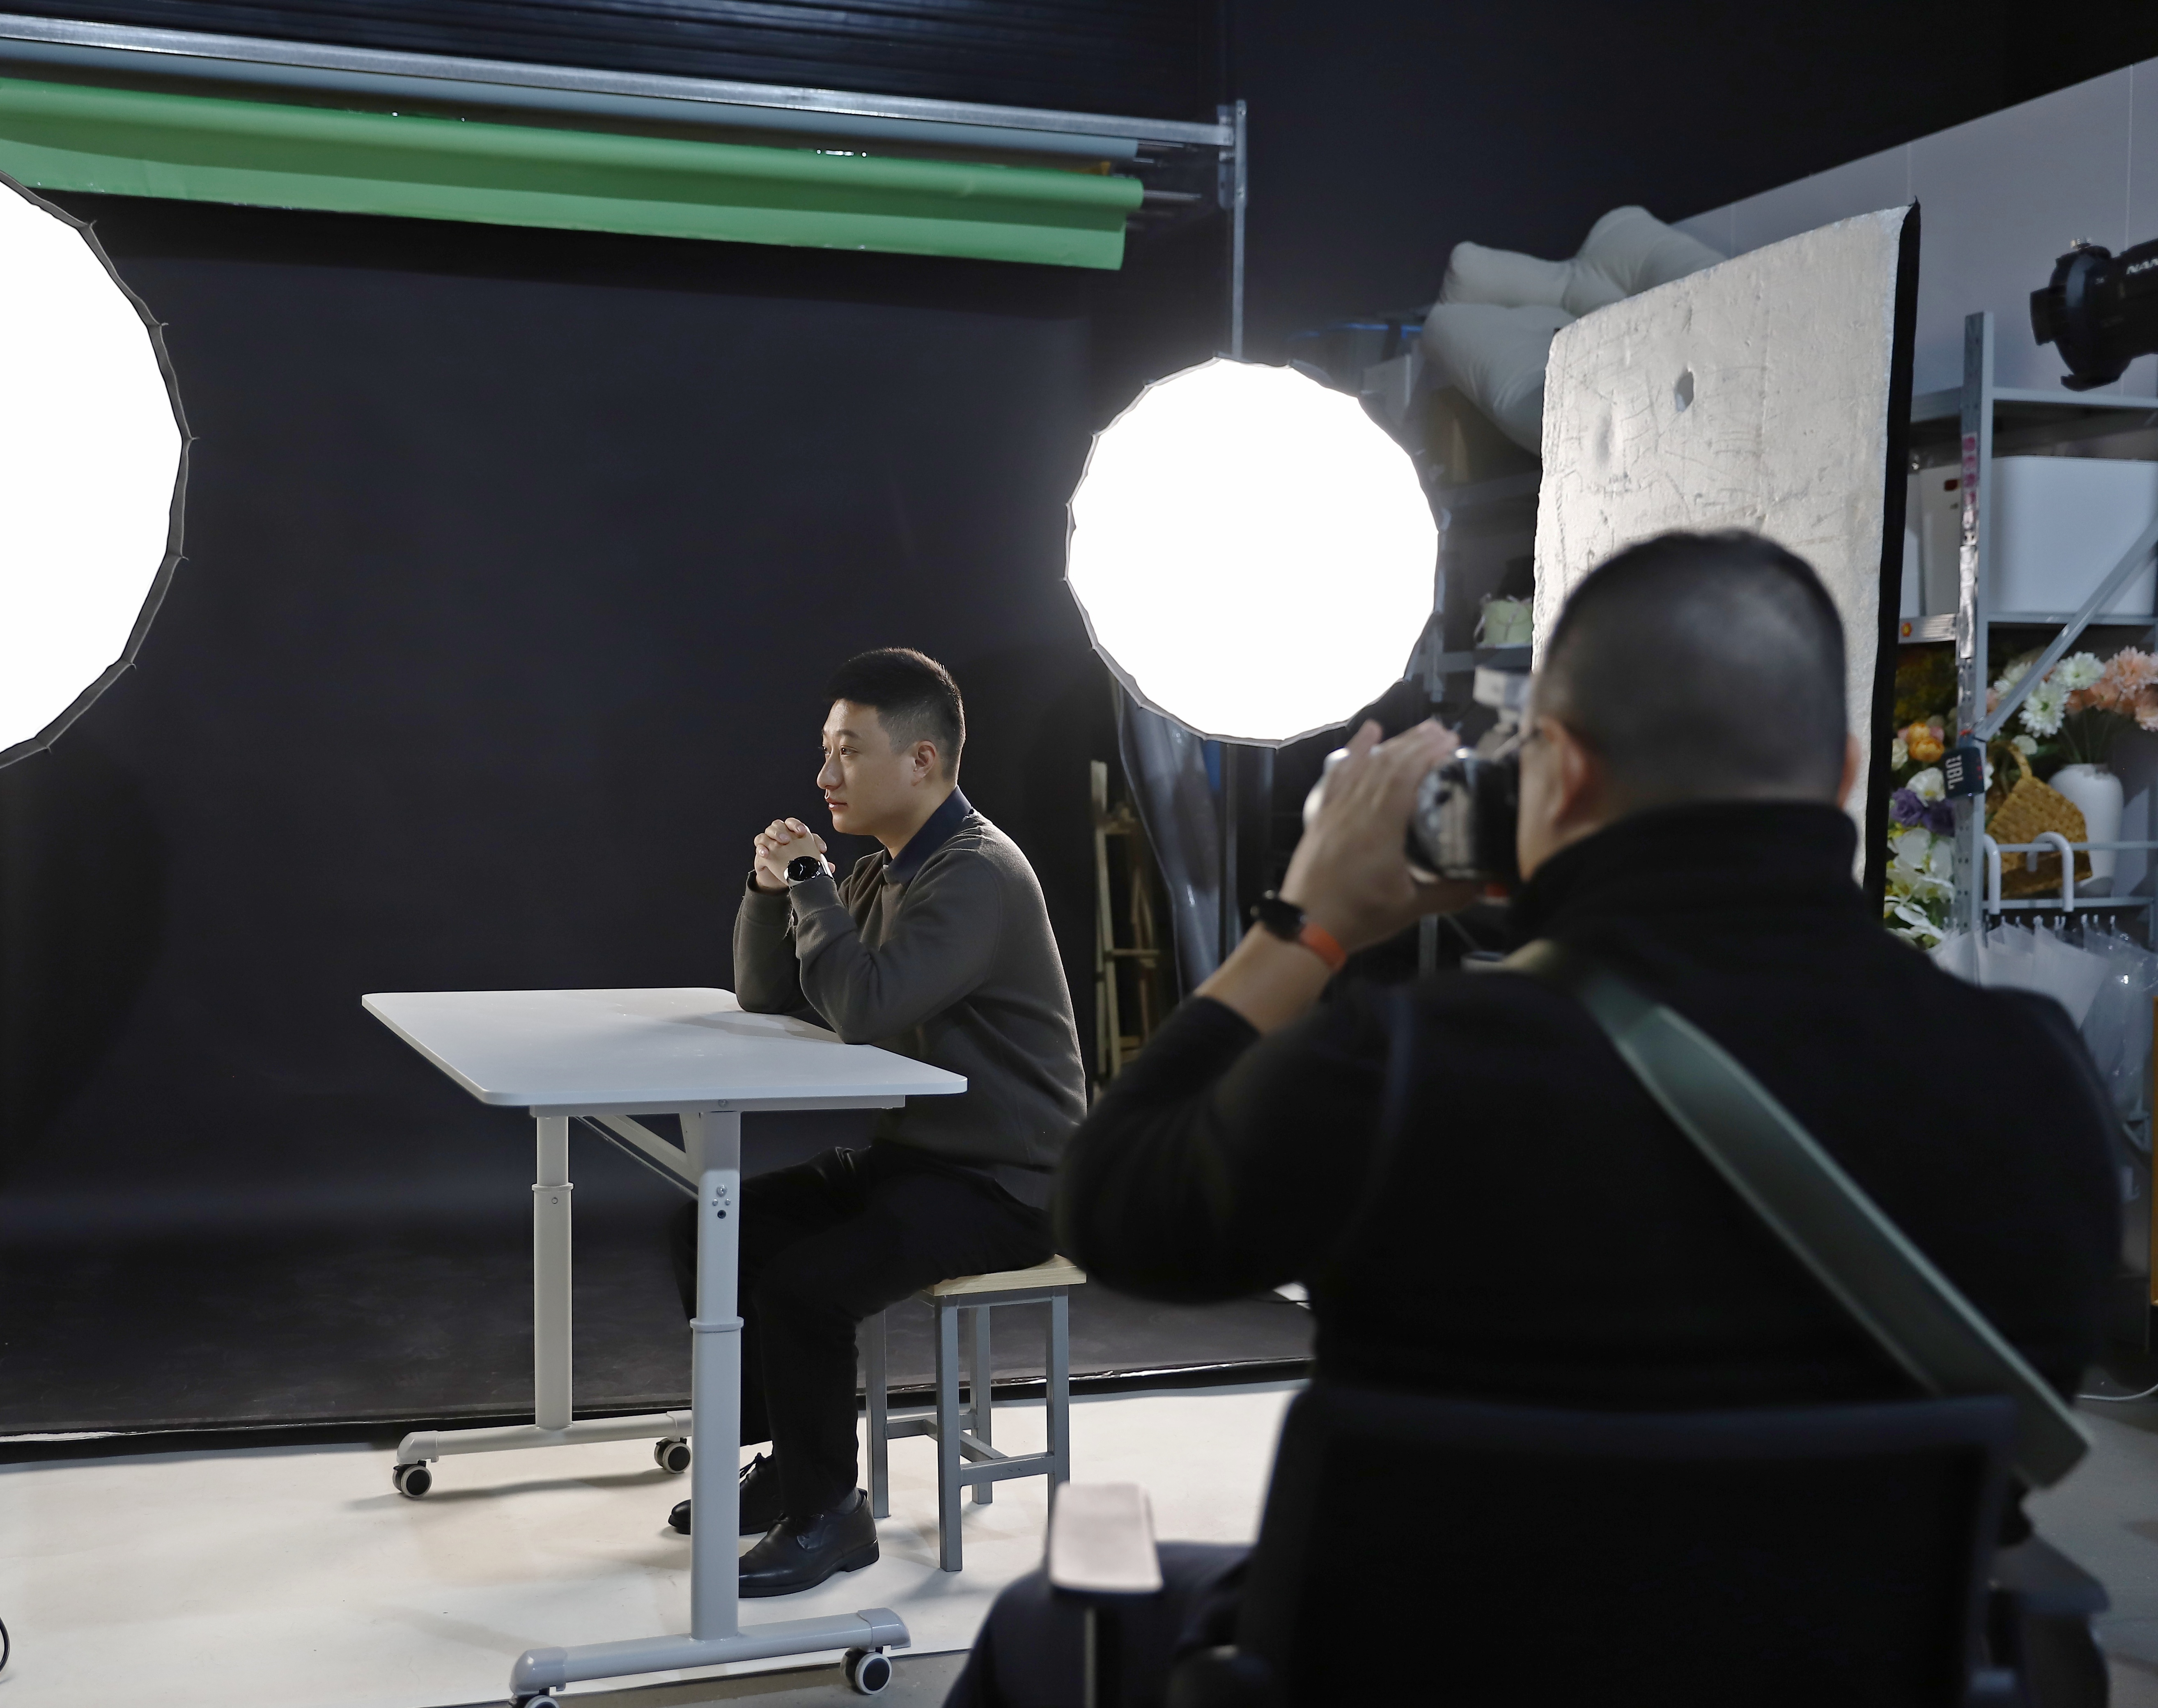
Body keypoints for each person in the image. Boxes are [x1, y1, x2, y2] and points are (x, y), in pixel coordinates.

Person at [949, 530, 2121, 1706]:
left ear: (1558, 770)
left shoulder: (1402, 1071)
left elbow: (1110, 1204)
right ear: (1848, 772)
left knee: (1045, 1618)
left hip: (1414, 1673)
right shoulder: (2032, 1081)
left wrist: (1305, 922)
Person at [672, 647, 1088, 1596]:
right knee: (719, 1224)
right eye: (826, 750)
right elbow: (768, 994)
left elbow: (864, 1007)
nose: (825, 774)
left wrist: (813, 881)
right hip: (921, 1163)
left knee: (806, 1288)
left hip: (1009, 1183)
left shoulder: (976, 873)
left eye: (849, 751)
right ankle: (792, 1463)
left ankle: (830, 1517)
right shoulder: (885, 872)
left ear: (922, 760)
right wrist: (771, 890)